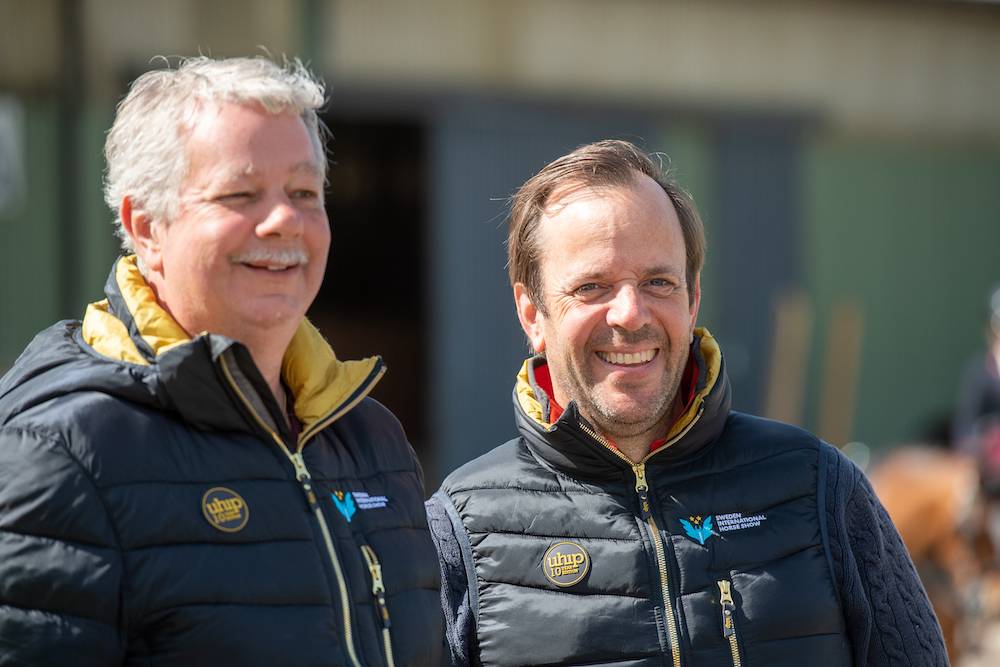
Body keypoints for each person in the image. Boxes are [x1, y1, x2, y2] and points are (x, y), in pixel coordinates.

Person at [426, 140, 947, 666]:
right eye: (592, 286)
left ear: (693, 297)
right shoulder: (462, 532)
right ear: (531, 314)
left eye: (658, 281)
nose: (630, 314)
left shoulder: (819, 489)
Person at [0, 56, 442, 666]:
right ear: (146, 227)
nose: (284, 220)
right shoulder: (63, 454)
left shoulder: (374, 443)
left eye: (304, 193)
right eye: (241, 194)